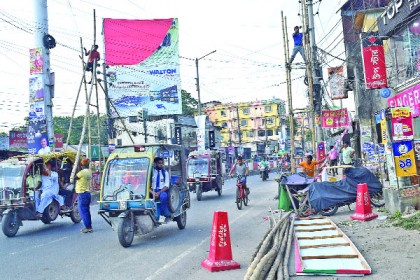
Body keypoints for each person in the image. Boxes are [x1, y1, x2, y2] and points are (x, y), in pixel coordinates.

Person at [75, 158, 93, 233]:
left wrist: (76, 167)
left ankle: (88, 227)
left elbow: (75, 177)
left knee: (83, 211)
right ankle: (89, 226)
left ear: (82, 165)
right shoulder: (89, 171)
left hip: (82, 193)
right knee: (86, 211)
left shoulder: (82, 172)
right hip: (87, 193)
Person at [151, 157, 170, 223]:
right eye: (159, 163)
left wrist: (158, 193)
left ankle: (162, 215)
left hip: (161, 191)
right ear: (155, 163)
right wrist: (152, 192)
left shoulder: (165, 173)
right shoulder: (151, 173)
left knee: (163, 197)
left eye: (162, 163)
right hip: (152, 190)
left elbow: (166, 186)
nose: (161, 165)